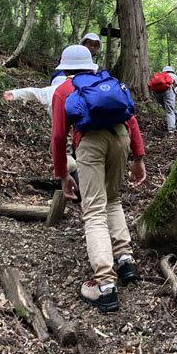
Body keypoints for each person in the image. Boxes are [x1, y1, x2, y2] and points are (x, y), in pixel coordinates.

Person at [51, 45, 146, 314]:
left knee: (93, 211)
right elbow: (132, 120)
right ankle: (125, 260)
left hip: (90, 144)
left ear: (66, 69)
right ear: (91, 66)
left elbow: (59, 137)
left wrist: (62, 174)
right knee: (113, 200)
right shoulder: (108, 83)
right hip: (120, 139)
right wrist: (138, 158)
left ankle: (104, 285)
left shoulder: (64, 90)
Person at [151, 66, 177, 134]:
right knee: (169, 110)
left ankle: (175, 115)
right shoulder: (174, 76)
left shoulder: (160, 76)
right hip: (168, 92)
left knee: (167, 107)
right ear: (172, 71)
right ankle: (171, 129)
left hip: (157, 93)